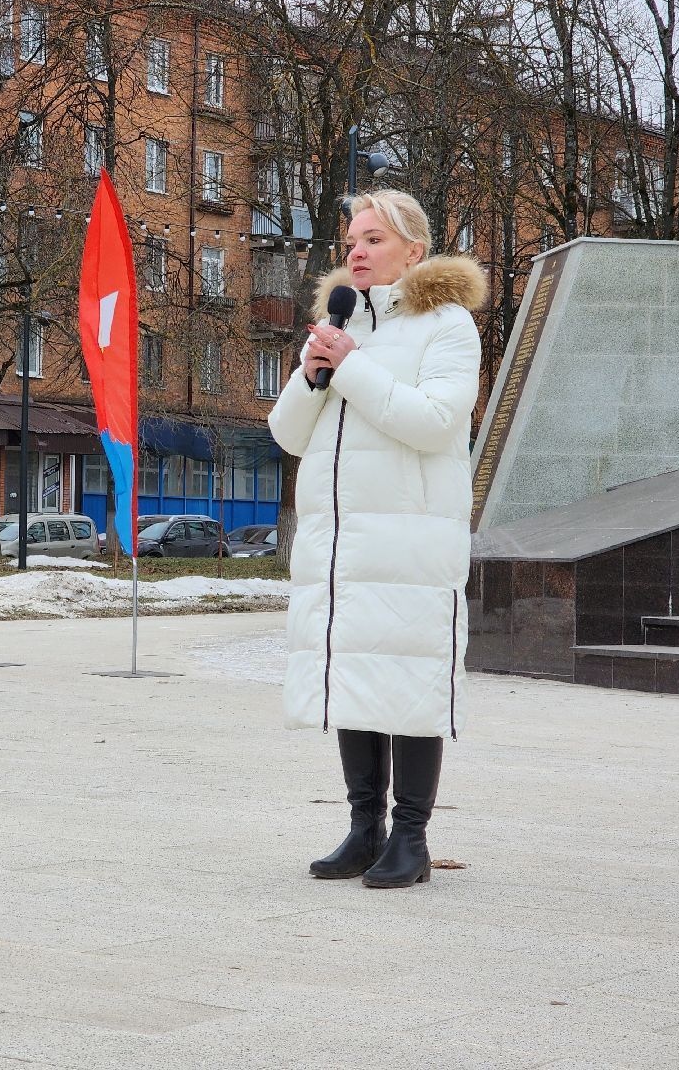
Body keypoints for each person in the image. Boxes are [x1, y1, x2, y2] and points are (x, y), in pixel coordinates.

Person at [268, 189, 486, 889]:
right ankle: (365, 830)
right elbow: (287, 434)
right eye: (352, 240)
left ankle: (412, 839)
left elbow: (433, 423)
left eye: (374, 239)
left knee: (411, 682)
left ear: (414, 252)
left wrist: (353, 366)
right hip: (343, 545)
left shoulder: (447, 325)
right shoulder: (340, 324)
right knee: (357, 678)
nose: (356, 252)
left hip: (412, 545)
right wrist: (312, 374)